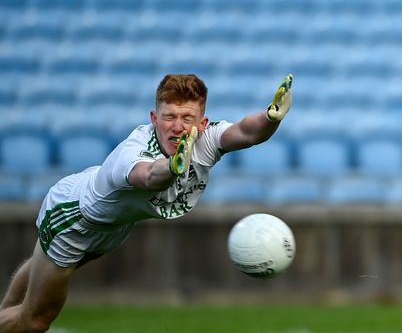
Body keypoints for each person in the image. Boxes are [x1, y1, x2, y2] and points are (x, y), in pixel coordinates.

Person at [0, 73, 293, 332]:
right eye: (169, 117)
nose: (178, 127)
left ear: (201, 123)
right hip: (75, 220)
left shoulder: (205, 138)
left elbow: (246, 132)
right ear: (154, 119)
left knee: (38, 278)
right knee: (34, 320)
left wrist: (271, 117)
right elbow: (149, 176)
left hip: (115, 224)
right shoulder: (135, 149)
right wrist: (173, 166)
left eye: (187, 119)